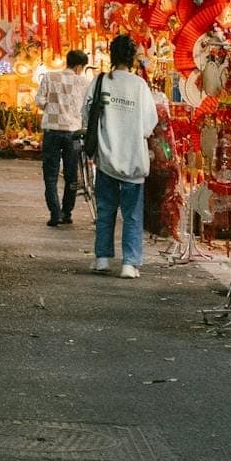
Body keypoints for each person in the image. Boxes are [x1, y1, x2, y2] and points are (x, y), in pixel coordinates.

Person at [84, 34, 158, 279]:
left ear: (112, 56)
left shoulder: (100, 82)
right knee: (132, 215)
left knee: (105, 211)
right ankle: (129, 263)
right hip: (134, 160)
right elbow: (150, 124)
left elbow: (86, 115)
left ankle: (102, 259)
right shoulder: (140, 86)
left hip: (106, 159)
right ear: (133, 58)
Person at [36, 50, 91, 228]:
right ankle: (67, 212)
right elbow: (87, 107)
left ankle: (55, 213)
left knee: (50, 176)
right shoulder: (84, 82)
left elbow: (39, 100)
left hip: (52, 131)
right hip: (73, 133)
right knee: (71, 175)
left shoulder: (49, 77)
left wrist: (52, 108)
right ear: (78, 66)